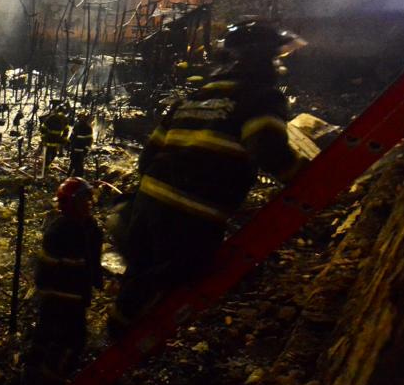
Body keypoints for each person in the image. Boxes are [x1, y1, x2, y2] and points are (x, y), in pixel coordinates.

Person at [111, 20, 308, 330]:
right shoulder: (259, 97)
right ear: (263, 59)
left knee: (139, 279)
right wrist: (305, 178)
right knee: (174, 280)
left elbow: (147, 157)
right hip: (190, 217)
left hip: (146, 204)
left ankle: (114, 342)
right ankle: (124, 351)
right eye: (276, 58)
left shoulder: (192, 98)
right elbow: (269, 151)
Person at [27, 178, 104, 385]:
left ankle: (35, 367)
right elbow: (45, 272)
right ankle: (52, 380)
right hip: (61, 296)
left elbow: (91, 260)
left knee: (49, 332)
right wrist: (53, 297)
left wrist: (97, 280)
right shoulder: (59, 233)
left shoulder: (90, 228)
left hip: (76, 294)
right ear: (71, 204)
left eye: (89, 199)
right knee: (72, 339)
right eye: (83, 200)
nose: (89, 204)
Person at [39, 103, 71, 177]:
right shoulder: (51, 118)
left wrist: (64, 138)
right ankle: (45, 168)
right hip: (49, 138)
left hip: (56, 139)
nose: (61, 115)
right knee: (47, 154)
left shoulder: (64, 119)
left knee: (53, 154)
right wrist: (44, 138)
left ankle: (47, 165)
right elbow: (43, 128)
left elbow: (66, 129)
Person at [69, 111, 94, 177]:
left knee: (79, 165)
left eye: (83, 118)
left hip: (81, 150)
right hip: (74, 149)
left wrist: (86, 149)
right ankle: (69, 177)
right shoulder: (76, 126)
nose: (81, 119)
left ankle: (78, 178)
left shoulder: (88, 128)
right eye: (80, 117)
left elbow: (89, 140)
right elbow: (72, 136)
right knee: (72, 164)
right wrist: (69, 145)